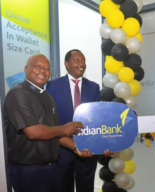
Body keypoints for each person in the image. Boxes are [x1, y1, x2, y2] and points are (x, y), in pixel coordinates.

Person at [3, 54, 94, 192]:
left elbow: (55, 133)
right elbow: (33, 132)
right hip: (28, 170)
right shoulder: (18, 93)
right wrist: (64, 129)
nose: (42, 70)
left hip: (51, 168)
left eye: (46, 68)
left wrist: (77, 148)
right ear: (26, 69)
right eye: (37, 66)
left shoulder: (48, 97)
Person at [46, 49, 104, 192]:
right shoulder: (53, 86)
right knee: (62, 187)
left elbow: (98, 119)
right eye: (77, 60)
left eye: (83, 61)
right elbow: (49, 118)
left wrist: (102, 143)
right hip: (62, 148)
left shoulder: (94, 87)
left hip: (87, 149)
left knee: (86, 186)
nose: (81, 64)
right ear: (66, 64)